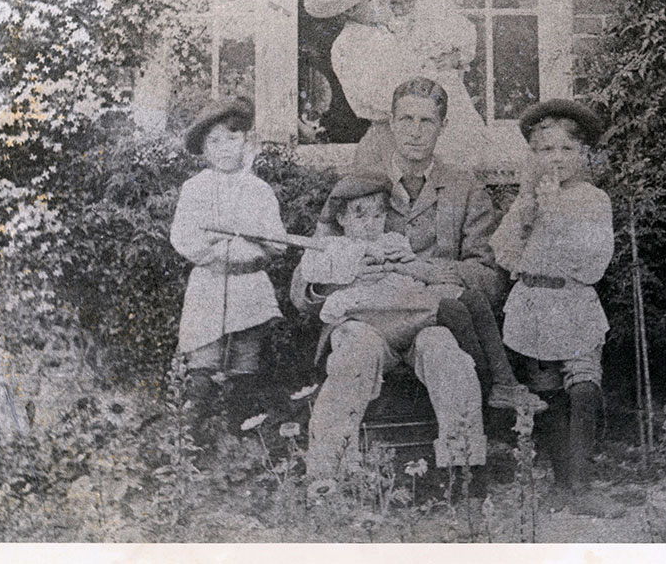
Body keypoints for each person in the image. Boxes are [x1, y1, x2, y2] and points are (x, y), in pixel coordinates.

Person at [291, 77, 505, 497]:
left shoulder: (465, 189)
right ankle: (327, 475)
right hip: (366, 321)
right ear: (390, 122)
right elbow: (303, 283)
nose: (415, 130)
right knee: (354, 354)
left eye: (427, 120)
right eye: (405, 118)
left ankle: (463, 474)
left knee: (449, 357)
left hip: (428, 319)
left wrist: (424, 270)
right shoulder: (357, 188)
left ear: (443, 126)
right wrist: (344, 279)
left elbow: (488, 278)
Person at [490, 98, 624, 518]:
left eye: (567, 149)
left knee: (582, 387)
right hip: (533, 304)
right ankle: (562, 482)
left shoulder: (592, 200)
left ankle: (582, 485)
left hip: (572, 302)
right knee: (546, 394)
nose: (557, 159)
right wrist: (530, 209)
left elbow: (593, 264)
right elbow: (505, 253)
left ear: (583, 153)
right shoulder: (525, 200)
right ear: (532, 154)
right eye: (546, 150)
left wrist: (557, 216)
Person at [300, 175, 536, 411]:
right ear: (341, 218)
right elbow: (312, 272)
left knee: (472, 299)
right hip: (371, 311)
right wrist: (352, 267)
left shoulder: (391, 240)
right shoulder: (333, 247)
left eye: (378, 215)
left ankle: (506, 382)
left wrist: (401, 265)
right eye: (360, 215)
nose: (370, 223)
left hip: (406, 301)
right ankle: (487, 391)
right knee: (452, 311)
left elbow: (413, 271)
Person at [303, 0, 490, 173]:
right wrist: (431, 71)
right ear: (350, 10)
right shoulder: (350, 47)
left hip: (450, 134)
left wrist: (452, 58)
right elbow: (391, 97)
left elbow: (456, 38)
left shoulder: (395, 27)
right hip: (402, 142)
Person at [170, 97, 286, 423]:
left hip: (248, 284)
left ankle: (239, 434)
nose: (223, 148)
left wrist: (257, 239)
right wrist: (213, 249)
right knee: (203, 363)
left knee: (245, 363)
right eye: (214, 142)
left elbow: (278, 243)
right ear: (204, 150)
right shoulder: (195, 189)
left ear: (246, 142)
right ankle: (190, 440)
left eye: (232, 139)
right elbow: (183, 237)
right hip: (209, 282)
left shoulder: (259, 190)